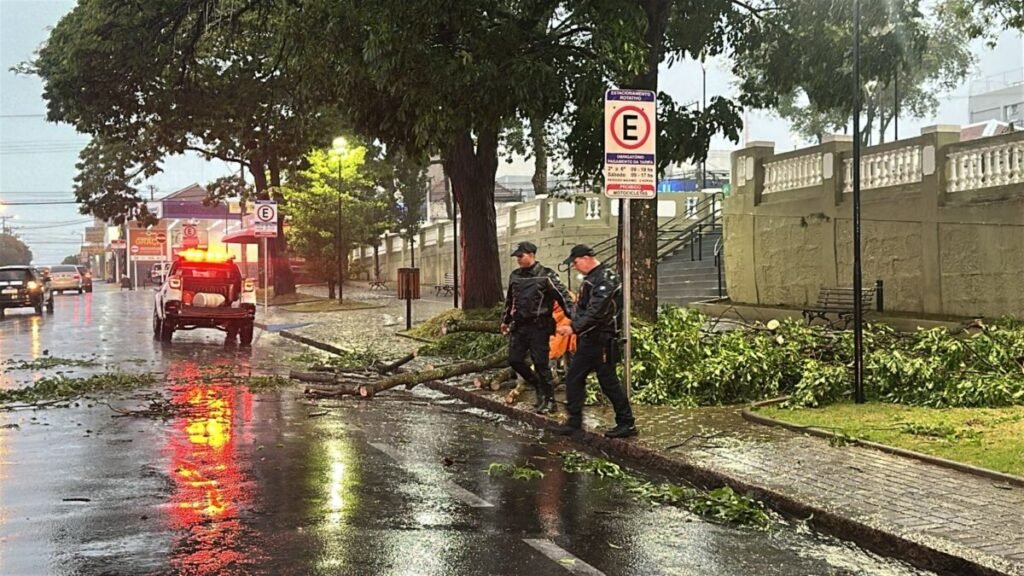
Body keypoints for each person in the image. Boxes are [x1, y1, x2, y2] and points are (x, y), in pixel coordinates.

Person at [553, 244, 637, 438]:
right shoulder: (591, 279)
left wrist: (574, 327)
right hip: (589, 339)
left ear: (586, 258)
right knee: (574, 377)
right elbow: (582, 308)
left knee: (608, 382)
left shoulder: (606, 279)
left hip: (602, 339)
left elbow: (597, 310)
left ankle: (627, 422)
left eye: (575, 262)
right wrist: (573, 322)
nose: (574, 267)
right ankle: (574, 421)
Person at [502, 241, 574, 414]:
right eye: (517, 257)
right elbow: (510, 300)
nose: (518, 259)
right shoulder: (515, 275)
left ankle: (550, 401)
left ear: (531, 254)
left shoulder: (546, 275)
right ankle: (538, 386)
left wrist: (576, 319)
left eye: (521, 256)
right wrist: (505, 320)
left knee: (541, 363)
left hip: (539, 326)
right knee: (514, 360)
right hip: (520, 325)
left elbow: (563, 297)